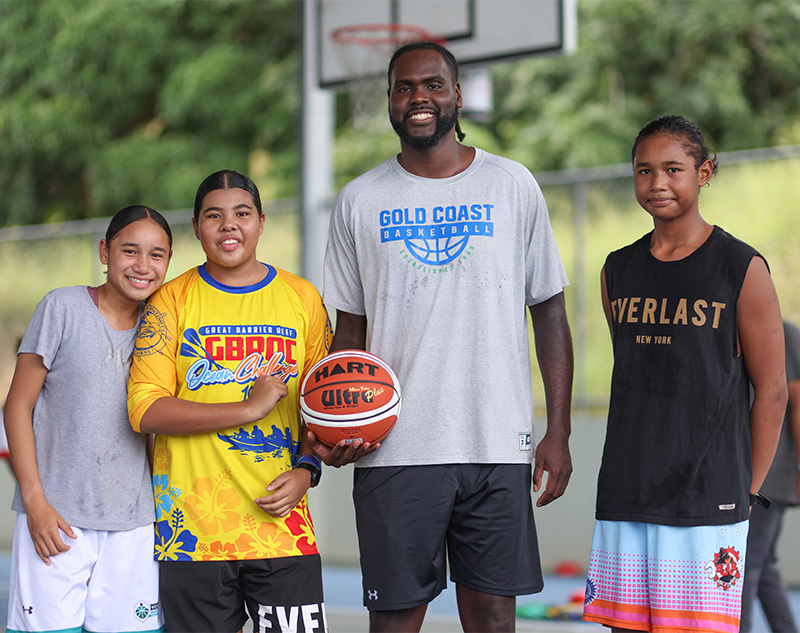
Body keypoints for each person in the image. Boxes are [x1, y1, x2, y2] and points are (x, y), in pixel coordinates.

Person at [317, 41, 574, 633]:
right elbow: (349, 330)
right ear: (389, 100)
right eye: (404, 88)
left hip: (495, 440)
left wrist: (556, 431)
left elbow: (550, 312)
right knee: (396, 617)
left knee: (492, 617)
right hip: (393, 446)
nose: (419, 98)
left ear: (456, 94)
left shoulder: (511, 185)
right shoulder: (359, 200)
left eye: (432, 84)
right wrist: (338, 422)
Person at [582, 115, 788, 633]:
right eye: (644, 170)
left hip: (707, 497)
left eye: (673, 169)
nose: (657, 183)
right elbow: (639, 376)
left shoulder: (741, 267)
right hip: (627, 491)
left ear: (705, 172)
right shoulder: (616, 270)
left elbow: (773, 391)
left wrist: (749, 491)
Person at [127, 170, 331, 633]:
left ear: (261, 221)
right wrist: (248, 408)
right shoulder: (169, 301)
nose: (228, 226)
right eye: (213, 216)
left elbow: (322, 408)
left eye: (241, 214)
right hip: (190, 534)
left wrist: (308, 470)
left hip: (283, 530)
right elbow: (144, 410)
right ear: (196, 227)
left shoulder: (303, 298)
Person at [3, 206, 173, 633]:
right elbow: (17, 406)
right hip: (57, 518)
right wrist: (36, 503)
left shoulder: (164, 327)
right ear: (105, 251)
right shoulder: (62, 307)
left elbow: (155, 428)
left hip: (134, 523)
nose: (142, 265)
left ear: (169, 261)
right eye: (129, 251)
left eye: (156, 255)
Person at [740, 320, 800, 632]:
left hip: (769, 477)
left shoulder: (782, 332)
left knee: (745, 563)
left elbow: (796, 398)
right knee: (763, 567)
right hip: (756, 470)